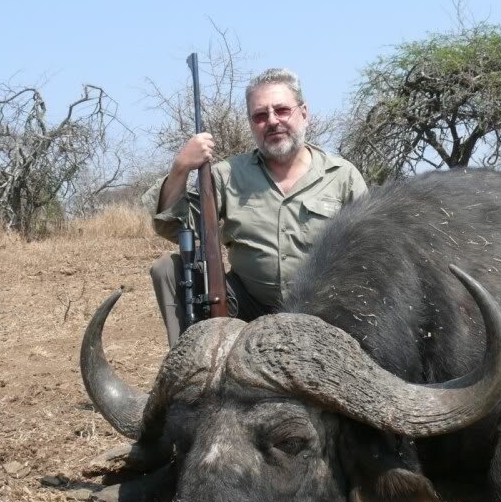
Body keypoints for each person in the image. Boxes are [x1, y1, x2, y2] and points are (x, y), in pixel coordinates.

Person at [143, 68, 368, 347]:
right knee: (168, 268)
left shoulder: (343, 176)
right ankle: (192, 371)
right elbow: (171, 225)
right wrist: (180, 168)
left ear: (304, 113)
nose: (272, 121)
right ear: (251, 124)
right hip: (246, 308)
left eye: (282, 110)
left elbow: (370, 255)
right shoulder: (225, 176)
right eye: (260, 116)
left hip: (324, 310)